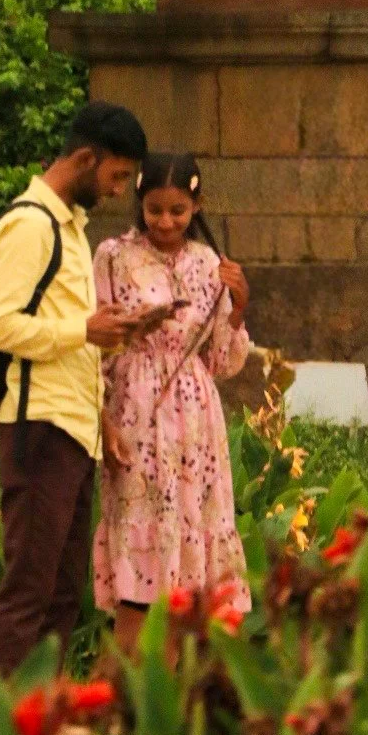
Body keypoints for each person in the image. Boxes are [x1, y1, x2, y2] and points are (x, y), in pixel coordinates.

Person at [0, 100, 150, 677]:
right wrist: (83, 327)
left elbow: (64, 334)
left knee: (58, 595)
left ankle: (37, 724)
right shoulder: (30, 225)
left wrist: (103, 333)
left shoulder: (69, 228)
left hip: (73, 430)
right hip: (37, 427)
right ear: (83, 158)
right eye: (117, 175)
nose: (121, 191)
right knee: (29, 591)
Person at [92, 153, 252, 660]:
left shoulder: (209, 264)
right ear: (139, 201)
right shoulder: (113, 256)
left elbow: (223, 362)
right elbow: (93, 346)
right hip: (135, 407)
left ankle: (191, 687)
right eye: (154, 209)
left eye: (177, 211)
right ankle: (134, 681)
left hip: (196, 419)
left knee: (194, 541)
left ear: (196, 206)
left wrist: (240, 305)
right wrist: (104, 420)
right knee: (138, 548)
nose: (164, 222)